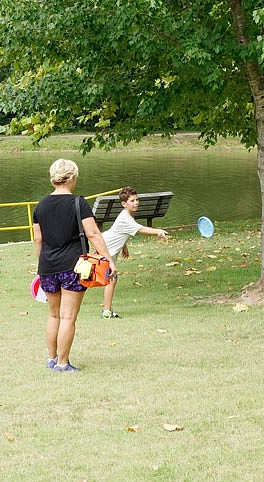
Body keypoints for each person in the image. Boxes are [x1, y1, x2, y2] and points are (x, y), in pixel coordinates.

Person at [32, 159, 116, 372]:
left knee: (53, 315)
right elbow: (93, 233)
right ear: (71, 178)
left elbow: (38, 239)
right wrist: (108, 259)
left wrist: (41, 264)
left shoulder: (41, 204)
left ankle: (51, 359)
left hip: (47, 267)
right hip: (73, 267)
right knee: (68, 316)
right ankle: (63, 363)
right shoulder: (79, 203)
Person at [101, 186, 168, 318]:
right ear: (124, 204)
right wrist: (158, 231)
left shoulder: (127, 214)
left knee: (110, 279)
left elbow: (120, 231)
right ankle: (106, 312)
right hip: (105, 248)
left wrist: (124, 245)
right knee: (106, 279)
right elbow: (141, 229)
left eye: (137, 200)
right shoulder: (125, 217)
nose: (136, 203)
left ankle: (107, 311)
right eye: (132, 201)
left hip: (110, 249)